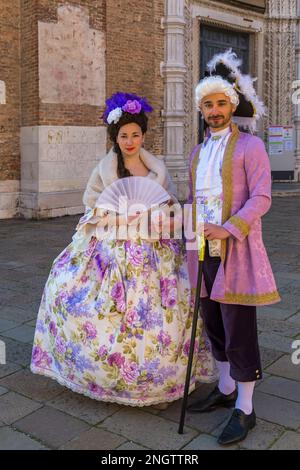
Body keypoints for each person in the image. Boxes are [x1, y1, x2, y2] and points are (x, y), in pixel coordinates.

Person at [30, 92, 216, 407]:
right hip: (112, 249)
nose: (130, 141)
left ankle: (158, 383)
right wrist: (116, 217)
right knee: (90, 303)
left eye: (135, 135)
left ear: (143, 135)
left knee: (158, 319)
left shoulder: (157, 170)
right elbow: (91, 205)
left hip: (155, 253)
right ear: (115, 138)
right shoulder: (105, 168)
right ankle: (106, 378)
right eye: (123, 135)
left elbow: (170, 205)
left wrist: (158, 218)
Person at [186, 50, 281, 445]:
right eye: (207, 104)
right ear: (201, 109)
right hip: (201, 250)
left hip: (234, 248)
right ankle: (225, 390)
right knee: (213, 321)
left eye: (221, 102)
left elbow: (262, 197)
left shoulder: (250, 147)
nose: (214, 110)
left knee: (238, 326)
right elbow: (194, 198)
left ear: (232, 104)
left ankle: (245, 407)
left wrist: (228, 229)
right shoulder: (197, 152)